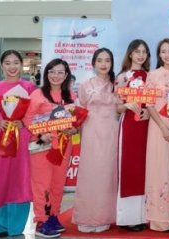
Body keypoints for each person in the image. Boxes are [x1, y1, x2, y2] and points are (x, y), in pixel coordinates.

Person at [23, 58, 78, 238]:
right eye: (52, 71)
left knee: (57, 184)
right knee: (41, 184)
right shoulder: (37, 95)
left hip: (63, 146)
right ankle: (41, 221)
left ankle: (53, 215)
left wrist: (74, 128)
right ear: (46, 74)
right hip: (43, 147)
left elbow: (75, 119)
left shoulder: (71, 96)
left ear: (66, 75)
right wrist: (40, 134)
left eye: (60, 72)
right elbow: (27, 119)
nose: (56, 75)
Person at [0, 50, 36, 238]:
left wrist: (23, 122)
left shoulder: (30, 87)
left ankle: (16, 226)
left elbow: (34, 113)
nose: (12, 66)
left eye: (16, 62)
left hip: (21, 139)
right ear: (1, 66)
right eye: (7, 63)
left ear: (21, 64)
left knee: (19, 180)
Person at [72, 48, 120, 232]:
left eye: (107, 60)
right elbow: (80, 110)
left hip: (111, 132)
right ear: (93, 63)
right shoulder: (85, 85)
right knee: (89, 174)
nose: (103, 64)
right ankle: (86, 216)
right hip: (91, 132)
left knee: (106, 175)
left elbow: (121, 107)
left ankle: (104, 217)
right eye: (100, 60)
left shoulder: (117, 85)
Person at [145, 38, 169, 231]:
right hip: (158, 127)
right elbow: (150, 104)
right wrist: (162, 127)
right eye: (163, 51)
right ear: (159, 55)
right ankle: (158, 216)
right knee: (159, 168)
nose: (167, 54)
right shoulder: (152, 75)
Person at [114, 39, 151, 231]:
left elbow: (155, 104)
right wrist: (126, 105)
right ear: (130, 53)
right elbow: (116, 106)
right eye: (137, 51)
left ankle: (145, 215)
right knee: (129, 168)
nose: (140, 55)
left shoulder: (151, 76)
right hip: (129, 126)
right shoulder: (122, 77)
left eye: (144, 51)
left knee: (145, 169)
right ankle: (128, 217)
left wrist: (149, 113)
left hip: (147, 128)